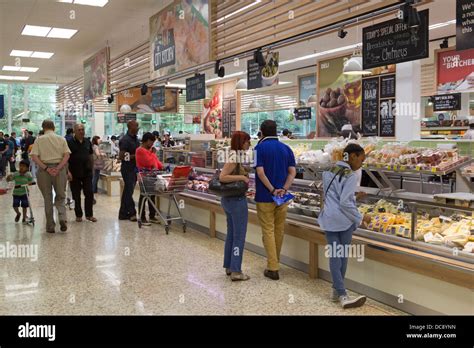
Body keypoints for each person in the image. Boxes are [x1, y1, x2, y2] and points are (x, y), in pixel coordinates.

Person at [318, 143, 371, 309]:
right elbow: (345, 203)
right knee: (342, 257)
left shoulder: (328, 170)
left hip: (329, 217)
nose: (361, 163)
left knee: (335, 255)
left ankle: (336, 291)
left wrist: (354, 197)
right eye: (361, 159)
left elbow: (335, 196)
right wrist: (361, 217)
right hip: (343, 220)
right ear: (353, 156)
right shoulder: (350, 175)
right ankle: (342, 294)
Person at [254, 120, 296, 280]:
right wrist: (284, 189)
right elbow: (292, 172)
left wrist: (271, 189)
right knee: (279, 230)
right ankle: (275, 262)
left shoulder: (259, 148)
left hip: (265, 196)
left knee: (268, 230)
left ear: (261, 131)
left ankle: (273, 267)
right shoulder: (286, 148)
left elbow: (260, 172)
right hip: (282, 197)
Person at [219, 131, 251, 281]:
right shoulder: (235, 156)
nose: (249, 144)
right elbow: (223, 176)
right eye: (247, 141)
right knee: (239, 237)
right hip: (236, 201)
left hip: (228, 200)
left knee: (231, 235)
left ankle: (229, 266)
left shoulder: (235, 155)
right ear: (241, 142)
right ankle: (236, 271)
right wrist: (242, 177)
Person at [30, 120, 71, 233]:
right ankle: (62, 218)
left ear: (43, 128)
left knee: (47, 198)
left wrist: (47, 168)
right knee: (61, 196)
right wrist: (58, 168)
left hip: (44, 171)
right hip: (60, 169)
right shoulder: (61, 139)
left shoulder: (39, 139)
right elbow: (67, 155)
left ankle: (50, 226)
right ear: (53, 127)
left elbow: (34, 157)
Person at [67, 124, 96, 223]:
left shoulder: (87, 141)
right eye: (79, 130)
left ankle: (89, 215)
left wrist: (92, 168)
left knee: (89, 193)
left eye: (82, 129)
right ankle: (78, 215)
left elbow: (91, 155)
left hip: (86, 171)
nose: (81, 131)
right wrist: (68, 171)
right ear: (74, 131)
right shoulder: (69, 142)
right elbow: (66, 158)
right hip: (74, 172)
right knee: (76, 195)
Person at [135, 132, 163, 226]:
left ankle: (152, 216)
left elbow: (156, 162)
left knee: (152, 196)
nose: (152, 144)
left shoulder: (150, 150)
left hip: (152, 176)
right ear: (147, 140)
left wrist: (161, 166)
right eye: (151, 141)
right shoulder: (140, 150)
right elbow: (149, 162)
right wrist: (153, 153)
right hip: (144, 177)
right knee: (144, 196)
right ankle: (142, 218)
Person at [118, 120, 140, 221]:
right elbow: (122, 156)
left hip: (134, 168)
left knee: (128, 191)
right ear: (131, 127)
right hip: (127, 169)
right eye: (136, 126)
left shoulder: (136, 139)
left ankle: (122, 213)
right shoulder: (125, 140)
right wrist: (135, 156)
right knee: (128, 191)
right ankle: (132, 212)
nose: (138, 127)